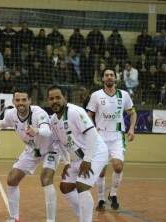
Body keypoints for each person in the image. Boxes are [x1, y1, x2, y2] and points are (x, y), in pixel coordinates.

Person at [47, 85, 108, 222]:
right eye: (51, 99)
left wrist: (87, 160)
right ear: (48, 101)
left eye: (58, 97)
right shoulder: (53, 121)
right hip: (76, 158)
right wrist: (67, 162)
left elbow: (92, 134)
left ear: (65, 98)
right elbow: (59, 145)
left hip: (96, 152)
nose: (55, 101)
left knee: (82, 185)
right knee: (66, 187)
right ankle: (82, 216)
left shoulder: (75, 111)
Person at [0, 88, 59, 222]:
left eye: (24, 100)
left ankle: (51, 220)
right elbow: (1, 124)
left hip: (51, 148)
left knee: (46, 179)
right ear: (13, 101)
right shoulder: (11, 114)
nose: (20, 103)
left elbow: (47, 131)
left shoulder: (38, 113)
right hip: (32, 150)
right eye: (17, 100)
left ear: (30, 101)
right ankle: (14, 217)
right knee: (12, 178)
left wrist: (36, 130)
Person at [86, 68, 137, 211]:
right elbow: (89, 114)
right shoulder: (96, 95)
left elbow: (132, 113)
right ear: (103, 79)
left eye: (111, 75)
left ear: (115, 78)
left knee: (118, 166)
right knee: (101, 171)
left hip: (117, 136)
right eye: (106, 75)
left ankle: (113, 194)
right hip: (100, 136)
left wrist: (132, 128)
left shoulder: (124, 95)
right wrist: (92, 128)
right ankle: (101, 198)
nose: (109, 77)